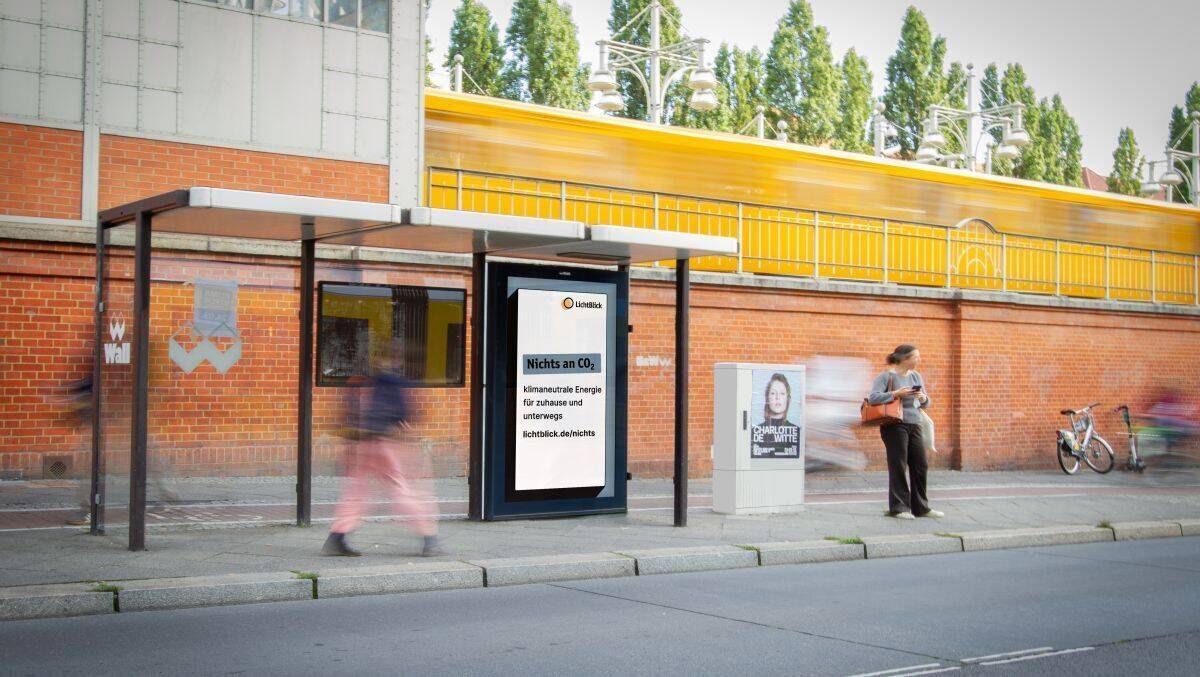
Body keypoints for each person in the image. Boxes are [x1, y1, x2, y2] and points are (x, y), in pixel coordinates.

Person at [323, 344, 442, 557]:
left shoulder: (365, 381)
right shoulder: (395, 382)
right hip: (383, 444)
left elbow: (349, 412)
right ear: (397, 359)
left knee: (356, 491)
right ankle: (429, 538)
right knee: (400, 489)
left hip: (361, 444)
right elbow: (404, 415)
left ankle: (337, 537)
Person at [866, 344, 943, 520]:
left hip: (915, 423)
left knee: (920, 465)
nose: (919, 360)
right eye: (916, 357)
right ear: (904, 358)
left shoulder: (916, 376)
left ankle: (921, 508)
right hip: (894, 425)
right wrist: (895, 394)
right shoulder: (886, 376)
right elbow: (873, 397)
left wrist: (924, 399)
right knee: (898, 466)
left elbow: (926, 403)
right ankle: (899, 508)